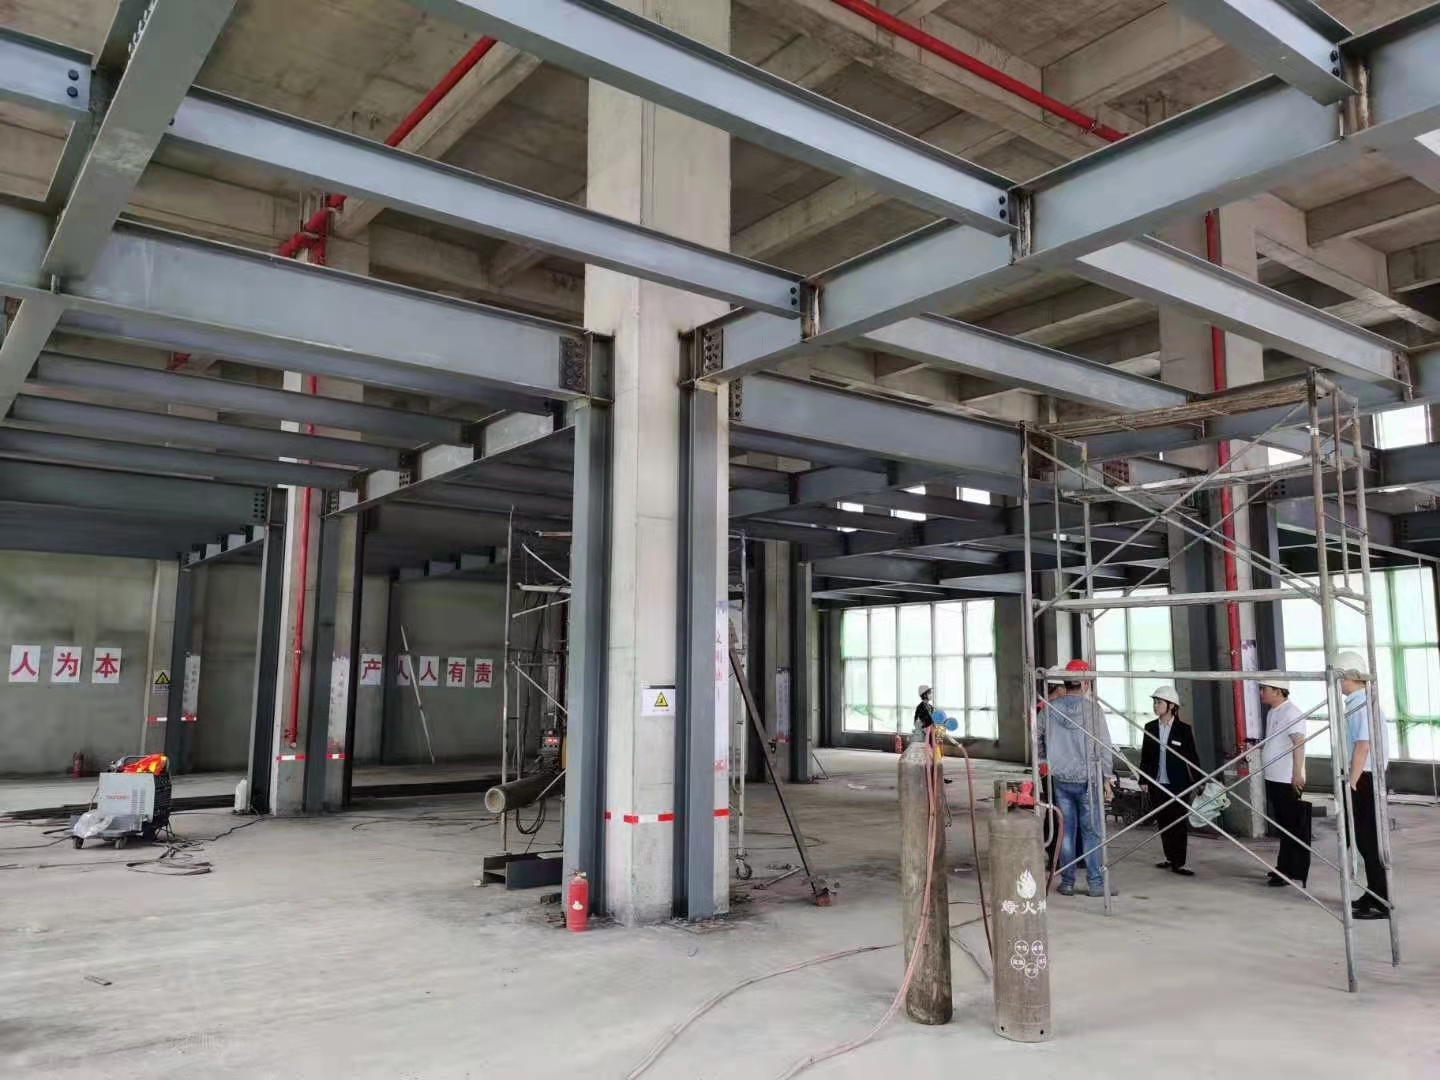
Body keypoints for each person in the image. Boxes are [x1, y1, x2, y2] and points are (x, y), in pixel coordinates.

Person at [1037, 659, 1117, 898]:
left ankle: (1068, 882)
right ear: (1085, 682)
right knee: (1092, 832)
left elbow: (1036, 737)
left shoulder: (1049, 709)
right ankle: (1095, 883)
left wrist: (1045, 760)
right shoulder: (1093, 710)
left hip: (1060, 778)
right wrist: (1107, 777)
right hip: (1088, 778)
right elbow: (1104, 746)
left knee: (1066, 831)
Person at [1337, 651, 1390, 921]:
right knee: (1365, 840)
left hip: (1364, 777)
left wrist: (1352, 781)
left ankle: (1381, 900)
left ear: (1349, 676)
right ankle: (1374, 892)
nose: (1337, 683)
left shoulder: (1361, 704)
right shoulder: (1359, 701)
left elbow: (1363, 745)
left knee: (1369, 840)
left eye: (1339, 677)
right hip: (1364, 776)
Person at [1139, 685, 1199, 877]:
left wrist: (1199, 782)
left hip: (1178, 784)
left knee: (1178, 822)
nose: (1155, 706)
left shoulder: (1183, 730)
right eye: (1154, 702)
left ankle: (1179, 862)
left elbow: (1192, 757)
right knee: (1163, 821)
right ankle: (1169, 857)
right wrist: (1143, 779)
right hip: (1157, 783)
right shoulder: (1150, 727)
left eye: (1159, 702)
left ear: (1172, 706)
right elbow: (1146, 756)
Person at [1258, 678, 1310, 888]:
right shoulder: (1273, 712)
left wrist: (1297, 773)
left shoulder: (1292, 713)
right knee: (1283, 824)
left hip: (1286, 779)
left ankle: (1289, 870)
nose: (1261, 693)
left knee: (1290, 826)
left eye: (1265, 689)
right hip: (1273, 776)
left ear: (1278, 691)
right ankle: (1285, 866)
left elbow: (1299, 743)